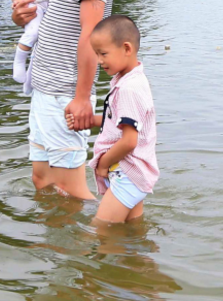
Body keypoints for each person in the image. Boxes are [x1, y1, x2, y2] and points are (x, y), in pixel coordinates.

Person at [11, 0, 114, 200]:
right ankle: (53, 248)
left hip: (64, 94)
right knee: (42, 179)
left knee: (71, 188)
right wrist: (21, 17)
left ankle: (103, 242)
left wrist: (83, 97)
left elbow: (90, 35)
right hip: (45, 89)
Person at [67, 15, 159, 223]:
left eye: (103, 54)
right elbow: (120, 124)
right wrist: (91, 121)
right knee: (131, 229)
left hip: (127, 173)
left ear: (127, 48)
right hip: (131, 174)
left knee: (100, 231)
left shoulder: (128, 89)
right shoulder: (129, 80)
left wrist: (103, 164)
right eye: (97, 54)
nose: (99, 61)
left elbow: (129, 140)